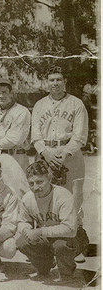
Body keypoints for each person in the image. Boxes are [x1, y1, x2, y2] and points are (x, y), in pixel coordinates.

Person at [31, 66, 89, 262]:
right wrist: (46, 154)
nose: (54, 83)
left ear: (65, 81)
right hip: (46, 152)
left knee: (74, 199)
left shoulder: (76, 104)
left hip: (70, 154)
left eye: (58, 79)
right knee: (45, 198)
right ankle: (48, 246)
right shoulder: (39, 105)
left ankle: (76, 246)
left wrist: (63, 155)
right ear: (47, 82)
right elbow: (35, 136)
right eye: (51, 80)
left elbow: (80, 136)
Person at [16, 161, 83, 284]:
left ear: (49, 178)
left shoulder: (63, 195)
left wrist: (40, 231)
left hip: (73, 237)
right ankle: (44, 267)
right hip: (47, 236)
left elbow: (70, 229)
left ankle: (67, 273)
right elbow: (22, 221)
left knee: (61, 245)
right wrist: (27, 230)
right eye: (31, 183)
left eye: (40, 182)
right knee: (22, 242)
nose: (35, 187)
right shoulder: (28, 198)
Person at [0, 78, 31, 196]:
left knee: (19, 195)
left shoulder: (21, 111)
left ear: (11, 93)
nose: (1, 96)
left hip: (15, 157)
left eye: (4, 92)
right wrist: (5, 132)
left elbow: (15, 138)